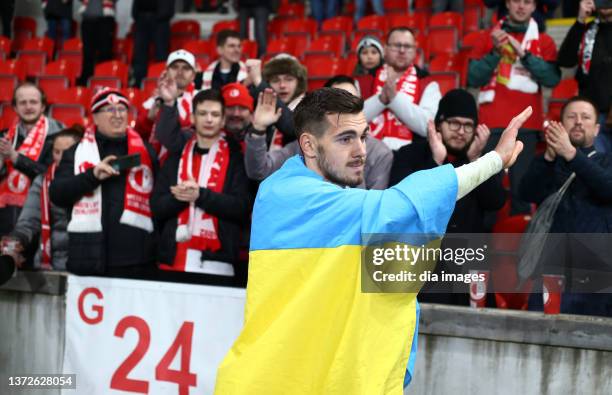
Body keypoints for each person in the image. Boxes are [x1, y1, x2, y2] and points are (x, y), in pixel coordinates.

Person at [214, 87, 532, 393]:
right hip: (276, 382)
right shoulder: (292, 193)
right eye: (345, 139)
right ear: (308, 145)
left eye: (363, 136)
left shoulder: (305, 189)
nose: (361, 151)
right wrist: (494, 161)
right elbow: (400, 207)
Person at [390, 89, 506, 306]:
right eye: (454, 123)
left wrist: (475, 162)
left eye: (468, 125)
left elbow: (495, 202)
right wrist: (436, 163)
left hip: (468, 266)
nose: (461, 131)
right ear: (437, 124)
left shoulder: (483, 160)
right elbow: (402, 206)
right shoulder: (409, 155)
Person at [50, 89, 158, 277]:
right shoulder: (76, 153)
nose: (117, 115)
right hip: (88, 259)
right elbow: (58, 194)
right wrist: (92, 176)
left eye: (122, 109)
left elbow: (158, 200)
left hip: (138, 261)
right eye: (109, 110)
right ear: (95, 118)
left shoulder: (145, 151)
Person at [520, 96, 612, 316]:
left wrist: (572, 154)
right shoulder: (548, 162)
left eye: (586, 117)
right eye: (572, 117)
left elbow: (607, 188)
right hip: (551, 273)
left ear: (597, 129)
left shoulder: (606, 162)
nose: (578, 121)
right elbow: (525, 192)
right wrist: (549, 158)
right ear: (560, 126)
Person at [468, 0, 560, 214]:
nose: (521, 6)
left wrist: (524, 55)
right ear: (507, 4)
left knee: (522, 195)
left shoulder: (544, 41)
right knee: (486, 191)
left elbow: (552, 79)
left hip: (526, 126)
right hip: (489, 125)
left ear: (535, 7)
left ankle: (521, 245)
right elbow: (473, 78)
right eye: (516, 0)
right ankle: (483, 245)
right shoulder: (487, 37)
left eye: (527, 2)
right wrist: (496, 52)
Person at [151, 89, 250, 286]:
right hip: (172, 262)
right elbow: (157, 207)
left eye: (215, 114)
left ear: (223, 121)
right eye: (203, 113)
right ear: (192, 118)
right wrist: (180, 197)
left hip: (217, 263)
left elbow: (242, 208)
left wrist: (200, 195)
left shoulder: (236, 158)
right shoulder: (175, 157)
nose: (209, 119)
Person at [244, 75, 393, 189]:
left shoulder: (379, 153)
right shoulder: (306, 144)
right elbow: (259, 170)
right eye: (338, 102)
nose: (346, 107)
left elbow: (374, 215)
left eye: (352, 100)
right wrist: (258, 129)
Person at [2, 128, 82, 271]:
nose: (61, 157)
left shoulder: (94, 177)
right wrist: (15, 241)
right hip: (50, 264)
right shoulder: (43, 181)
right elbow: (28, 222)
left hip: (85, 264)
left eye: (68, 152)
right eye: (56, 152)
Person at [0, 83, 64, 236]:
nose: (28, 107)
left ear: (43, 106)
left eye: (33, 102)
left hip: (44, 213)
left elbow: (53, 175)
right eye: (22, 102)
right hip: (6, 215)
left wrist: (15, 158)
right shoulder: (4, 136)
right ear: (15, 108)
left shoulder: (60, 135)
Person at [363, 27, 442, 150]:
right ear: (385, 49)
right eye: (396, 45)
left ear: (415, 51)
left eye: (407, 46)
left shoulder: (428, 83)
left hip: (411, 158)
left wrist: (394, 99)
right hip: (366, 155)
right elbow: (349, 121)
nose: (402, 50)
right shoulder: (364, 80)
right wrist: (380, 100)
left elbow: (428, 127)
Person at [557, 0, 612, 152]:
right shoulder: (587, 29)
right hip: (592, 114)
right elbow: (565, 61)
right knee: (595, 169)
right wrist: (580, 20)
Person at [135, 49, 198, 146]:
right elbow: (138, 137)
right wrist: (148, 119)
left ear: (193, 75)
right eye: (175, 67)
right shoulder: (150, 103)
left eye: (186, 68)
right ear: (166, 72)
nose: (180, 72)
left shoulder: (201, 100)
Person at [130, 0, 175, 88]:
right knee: (139, 55)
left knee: (161, 54)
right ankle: (138, 83)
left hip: (161, 20)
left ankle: (163, 83)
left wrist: (163, 14)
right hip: (141, 17)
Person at [77, 0, 117, 86]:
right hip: (88, 18)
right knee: (87, 52)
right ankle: (86, 82)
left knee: (105, 52)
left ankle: (104, 81)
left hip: (105, 19)